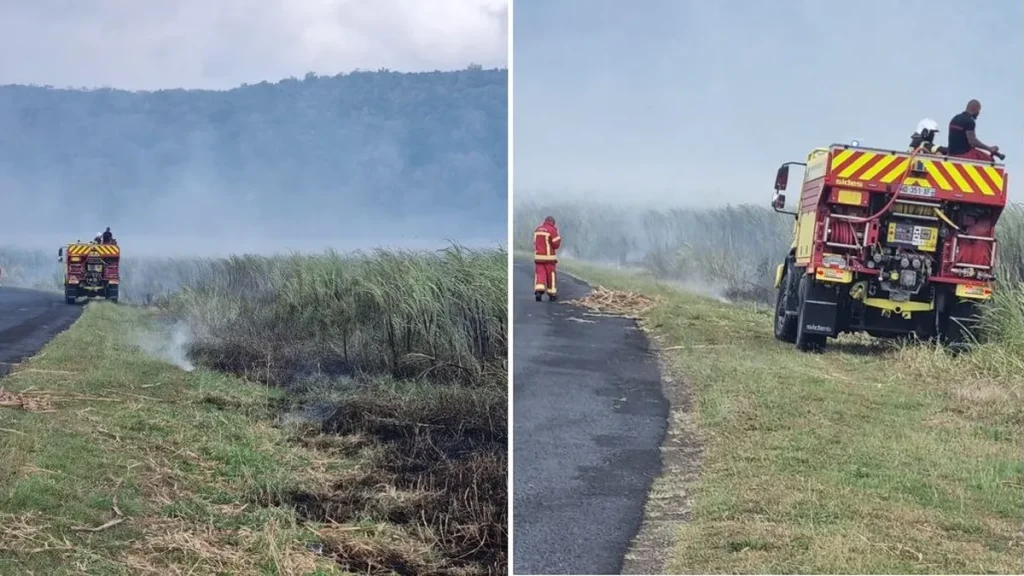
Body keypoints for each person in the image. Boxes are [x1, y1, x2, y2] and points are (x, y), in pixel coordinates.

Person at [533, 216, 561, 302]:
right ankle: (552, 294)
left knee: (540, 274)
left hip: (538, 257)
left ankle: (538, 291)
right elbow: (556, 244)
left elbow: (535, 242)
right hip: (549, 258)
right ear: (553, 222)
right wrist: (559, 238)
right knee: (551, 276)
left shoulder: (537, 229)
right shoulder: (552, 230)